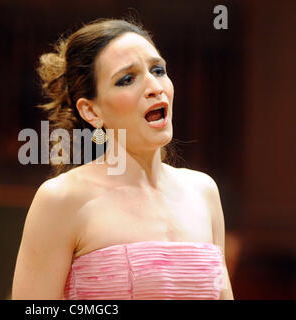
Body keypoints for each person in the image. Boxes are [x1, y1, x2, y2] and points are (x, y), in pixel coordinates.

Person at [12, 18, 234, 300]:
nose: (154, 86)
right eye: (127, 79)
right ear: (91, 111)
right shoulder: (62, 199)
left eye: (158, 70)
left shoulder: (203, 192)